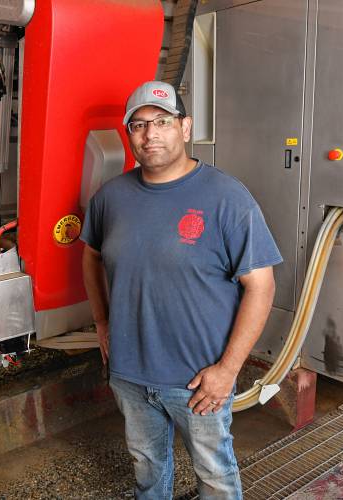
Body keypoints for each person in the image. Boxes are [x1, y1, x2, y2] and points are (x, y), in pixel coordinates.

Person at [80, 81, 282, 499]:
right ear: (128, 134)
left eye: (162, 122)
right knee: (147, 468)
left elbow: (261, 286)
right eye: (138, 125)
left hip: (198, 380)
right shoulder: (110, 198)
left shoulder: (227, 198)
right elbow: (91, 256)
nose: (150, 134)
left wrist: (227, 371)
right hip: (130, 373)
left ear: (185, 128)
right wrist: (101, 322)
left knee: (214, 474)